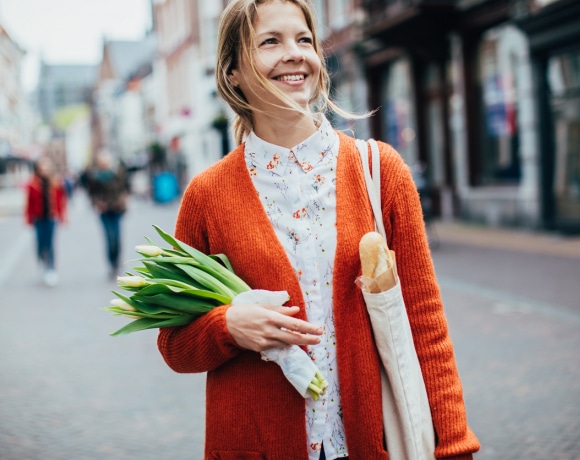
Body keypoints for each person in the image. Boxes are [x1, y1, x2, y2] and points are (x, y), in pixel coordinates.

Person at [157, 1, 480, 459]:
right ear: (232, 72)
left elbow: (425, 321)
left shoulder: (380, 171)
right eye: (271, 41)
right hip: (258, 445)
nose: (294, 54)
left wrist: (454, 447)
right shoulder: (206, 196)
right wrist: (228, 326)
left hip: (371, 442)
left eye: (303, 40)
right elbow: (173, 345)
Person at [84, 149, 129, 279]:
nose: (104, 163)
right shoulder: (95, 176)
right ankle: (112, 263)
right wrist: (98, 203)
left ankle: (117, 261)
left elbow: (125, 188)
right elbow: (91, 193)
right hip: (104, 211)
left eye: (106, 161)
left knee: (117, 237)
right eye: (102, 161)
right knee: (109, 237)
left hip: (117, 209)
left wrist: (122, 200)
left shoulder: (117, 173)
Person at [24, 155, 68, 286]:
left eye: (47, 166)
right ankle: (42, 262)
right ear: (38, 168)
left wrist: (62, 216)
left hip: (51, 217)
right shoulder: (33, 183)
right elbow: (29, 203)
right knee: (40, 243)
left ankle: (51, 269)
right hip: (38, 218)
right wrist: (28, 218)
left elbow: (61, 200)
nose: (45, 168)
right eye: (42, 166)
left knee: (50, 244)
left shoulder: (55, 182)